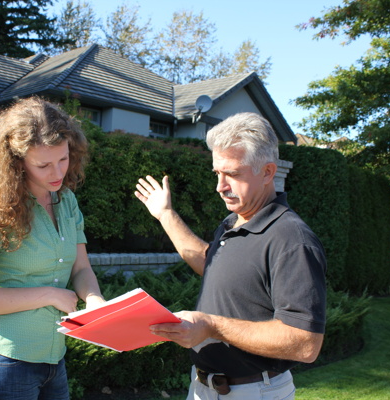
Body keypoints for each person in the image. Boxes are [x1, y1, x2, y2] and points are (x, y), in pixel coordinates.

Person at [134, 112, 326, 400]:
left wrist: (212, 326)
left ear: (268, 172)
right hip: (203, 388)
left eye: (233, 174)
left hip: (253, 391)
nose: (220, 186)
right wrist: (165, 215)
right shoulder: (234, 222)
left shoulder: (291, 239)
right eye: (217, 173)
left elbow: (305, 344)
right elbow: (210, 264)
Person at [0, 97, 105, 400]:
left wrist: (96, 301)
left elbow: (81, 267)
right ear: (16, 160)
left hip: (53, 361)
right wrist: (49, 295)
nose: (57, 172)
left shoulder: (67, 202)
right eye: (43, 165)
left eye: (63, 159)